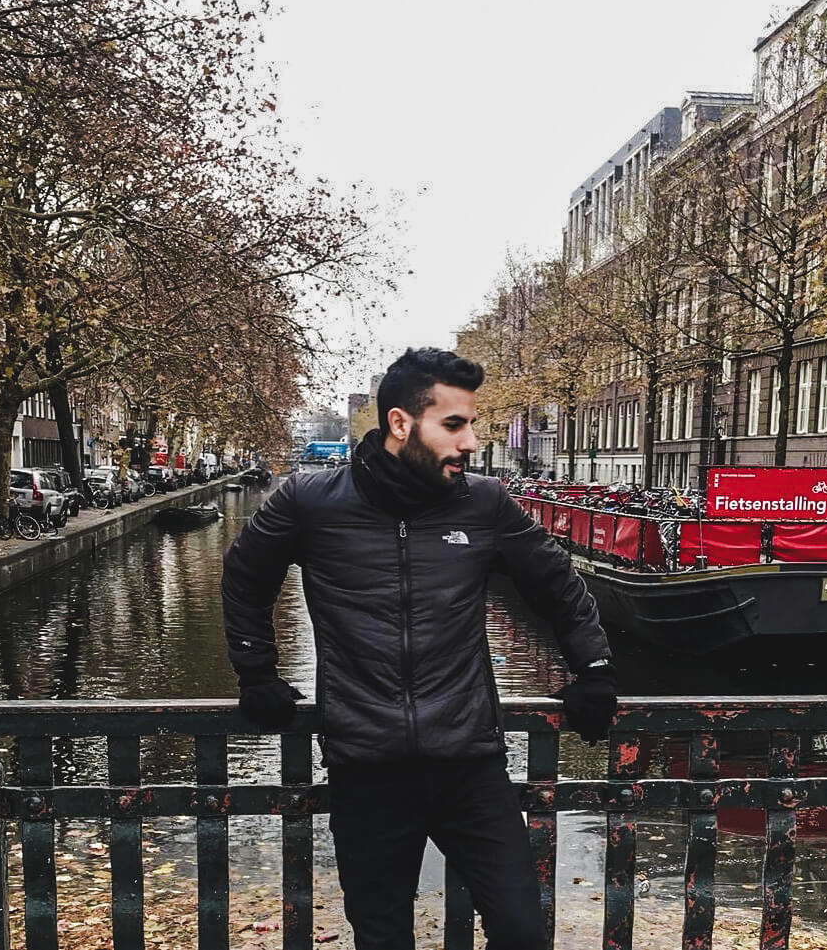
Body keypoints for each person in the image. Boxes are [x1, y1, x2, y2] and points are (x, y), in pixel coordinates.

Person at [222, 347, 617, 950]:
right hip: (367, 766)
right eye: (454, 425)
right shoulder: (310, 501)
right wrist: (256, 671)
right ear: (401, 424)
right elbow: (245, 578)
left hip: (469, 763)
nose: (470, 442)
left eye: (473, 424)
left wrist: (591, 669)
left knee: (521, 933)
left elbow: (558, 585)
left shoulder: (484, 503)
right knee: (382, 938)